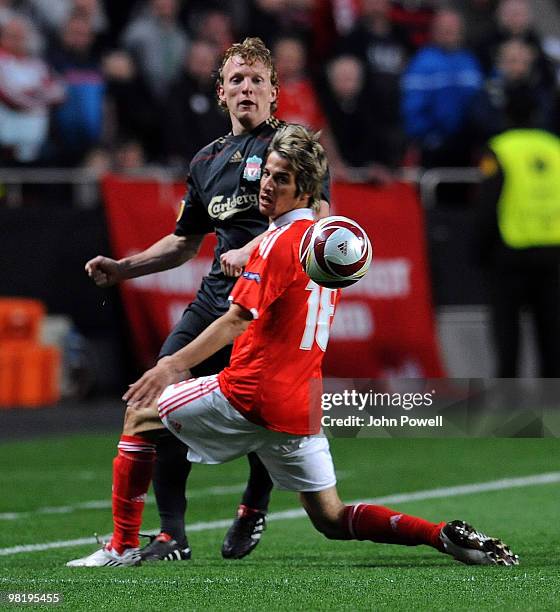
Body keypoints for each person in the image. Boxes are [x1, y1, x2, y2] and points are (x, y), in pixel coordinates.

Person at [69, 124, 518, 568]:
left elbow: (235, 320)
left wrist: (170, 366)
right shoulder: (331, 243)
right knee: (331, 517)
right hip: (299, 408)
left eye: (281, 179)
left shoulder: (277, 242)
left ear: (305, 191)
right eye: (266, 173)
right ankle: (440, 535)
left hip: (248, 393)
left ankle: (123, 546)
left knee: (141, 413)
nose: (266, 185)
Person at [83, 37, 330, 563]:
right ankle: (172, 534)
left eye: (257, 80)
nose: (247, 88)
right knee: (155, 401)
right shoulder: (207, 160)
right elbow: (184, 243)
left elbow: (318, 228)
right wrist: (125, 268)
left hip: (269, 308)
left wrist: (255, 247)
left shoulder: (293, 151)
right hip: (213, 303)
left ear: (274, 93)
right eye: (236, 80)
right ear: (221, 93)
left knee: (268, 413)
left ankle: (253, 506)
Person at [472, 86, 560, 377]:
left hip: (509, 254)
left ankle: (508, 405)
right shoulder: (554, 147)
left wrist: (478, 251)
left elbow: (487, 203)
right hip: (553, 253)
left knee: (507, 336)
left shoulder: (499, 148)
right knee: (551, 336)